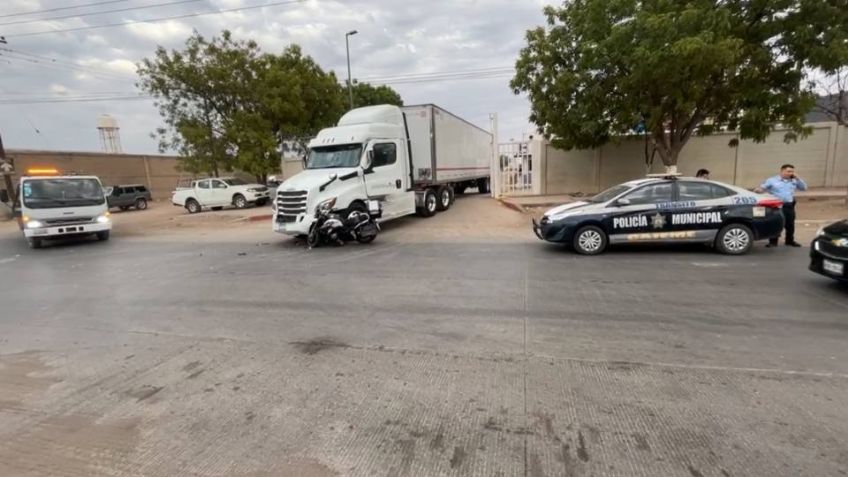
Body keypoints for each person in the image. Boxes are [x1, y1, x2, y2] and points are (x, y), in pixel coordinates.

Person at [755, 164, 807, 247]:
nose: (791, 173)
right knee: (775, 223)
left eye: (792, 171)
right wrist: (759, 190)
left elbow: (803, 188)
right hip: (776, 206)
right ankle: (773, 241)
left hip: (789, 205)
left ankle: (789, 240)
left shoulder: (794, 180)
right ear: (782, 171)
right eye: (789, 171)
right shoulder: (772, 180)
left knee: (790, 224)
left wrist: (798, 178)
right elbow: (762, 188)